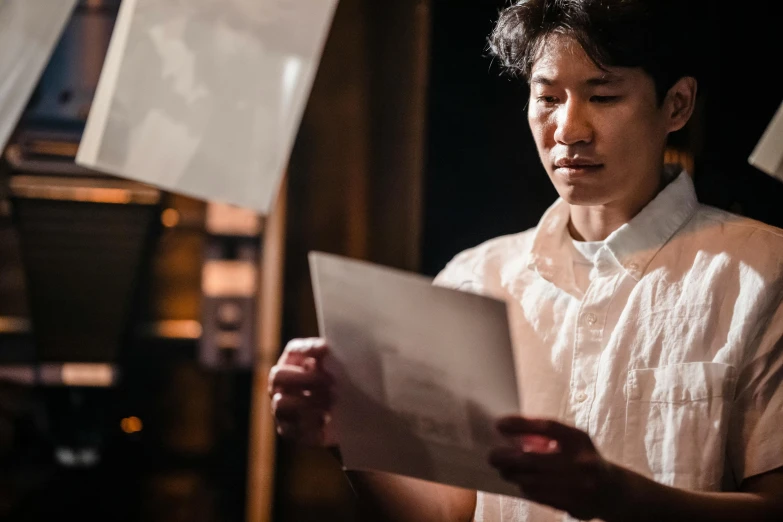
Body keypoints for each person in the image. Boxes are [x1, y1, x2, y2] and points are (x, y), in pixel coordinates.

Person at [268, 0, 783, 520]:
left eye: (603, 96)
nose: (569, 129)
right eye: (548, 97)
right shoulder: (475, 279)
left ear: (676, 105)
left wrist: (614, 494)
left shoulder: (761, 269)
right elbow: (448, 511)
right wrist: (346, 435)